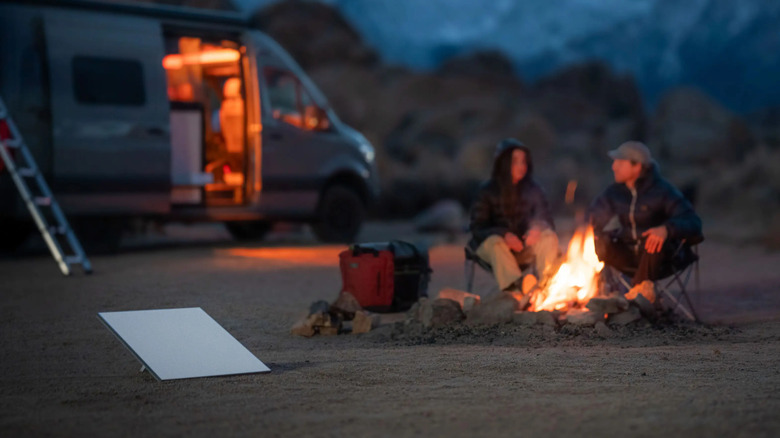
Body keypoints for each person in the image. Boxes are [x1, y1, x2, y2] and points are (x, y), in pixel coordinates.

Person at [589, 141, 703, 287]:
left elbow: (693, 221)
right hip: (627, 255)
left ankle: (638, 295)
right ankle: (608, 295)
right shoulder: (614, 193)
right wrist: (600, 233)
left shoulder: (663, 192)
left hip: (661, 258)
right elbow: (592, 215)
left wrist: (666, 229)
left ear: (636, 166)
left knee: (654, 242)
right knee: (602, 240)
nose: (614, 167)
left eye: (620, 163)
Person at [469, 138, 560, 296]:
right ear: (504, 164)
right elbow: (478, 228)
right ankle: (515, 290)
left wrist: (537, 228)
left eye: (524, 161)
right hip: (494, 250)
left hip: (524, 247)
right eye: (515, 162)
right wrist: (504, 234)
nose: (521, 166)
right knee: (495, 242)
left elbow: (546, 218)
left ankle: (547, 287)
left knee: (548, 236)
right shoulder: (487, 191)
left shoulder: (533, 189)